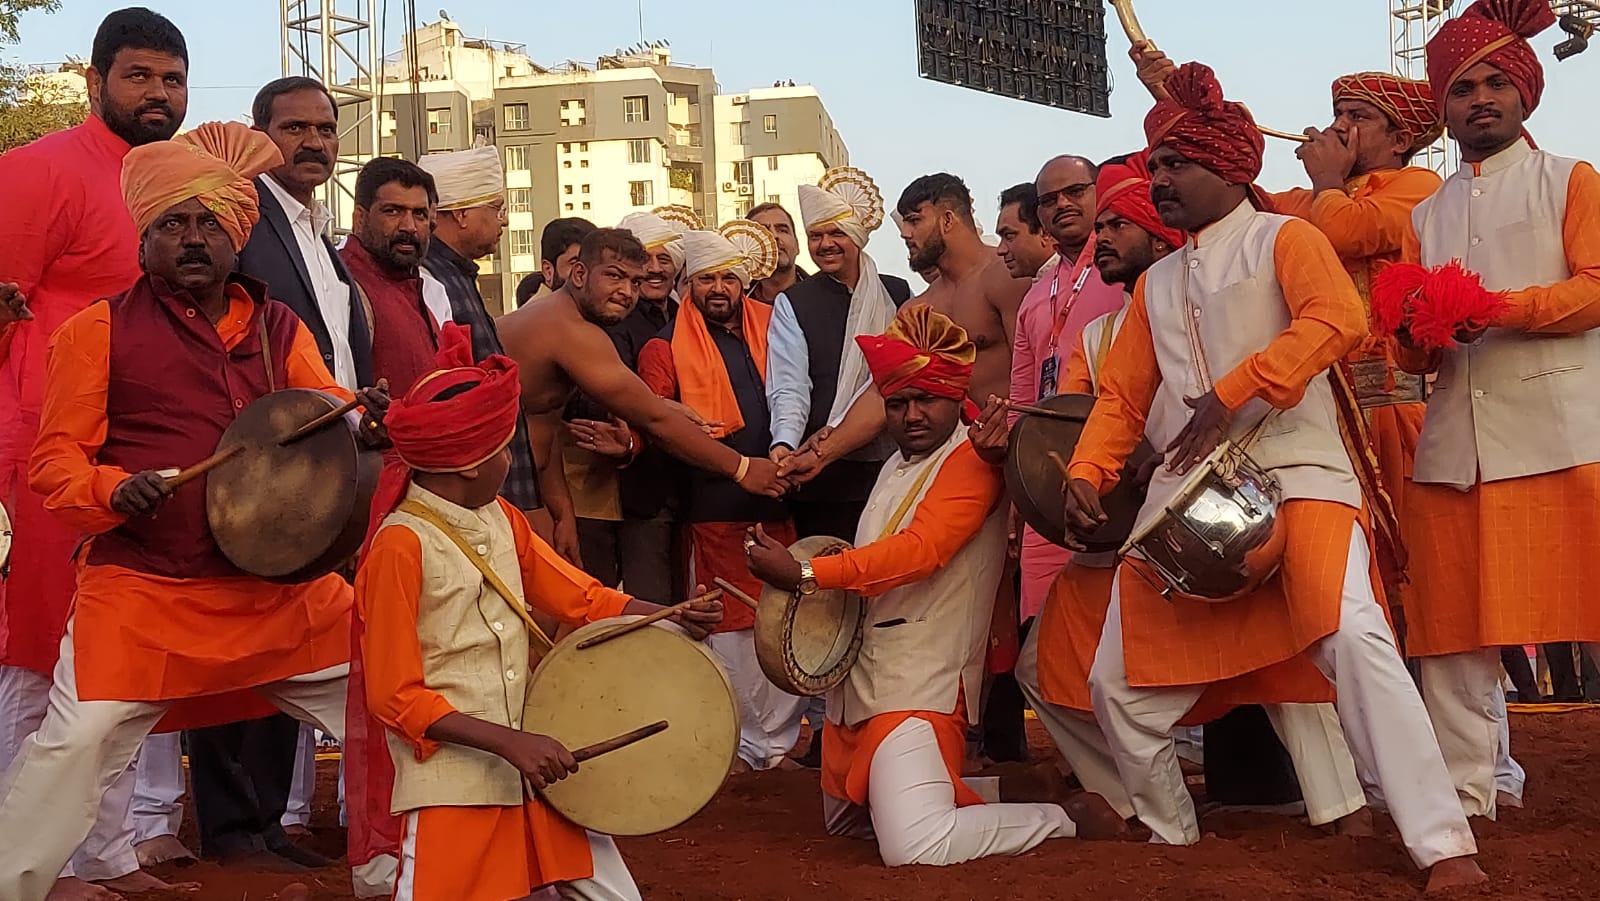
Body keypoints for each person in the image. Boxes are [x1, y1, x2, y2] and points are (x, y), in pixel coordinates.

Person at [1060, 62, 1483, 893]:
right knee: (1115, 683)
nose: (1160, 181)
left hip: (1301, 474)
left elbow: (1339, 318)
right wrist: (1089, 468)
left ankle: (1442, 841)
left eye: (1175, 166)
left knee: (1352, 636)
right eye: (1155, 168)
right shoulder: (1157, 283)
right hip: (1186, 505)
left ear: (1231, 169)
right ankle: (1176, 839)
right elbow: (1121, 395)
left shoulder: (1286, 239)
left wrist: (1233, 390)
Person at [0, 121, 388, 901]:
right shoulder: (94, 331)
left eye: (210, 222)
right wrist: (114, 489)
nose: (192, 238)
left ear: (238, 236)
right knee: (74, 742)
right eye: (172, 223)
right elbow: (55, 463)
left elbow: (327, 417)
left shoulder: (281, 328)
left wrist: (365, 419)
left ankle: (393, 869)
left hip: (279, 594)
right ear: (143, 241)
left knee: (387, 699)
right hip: (144, 591)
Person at [746, 304, 1126, 866]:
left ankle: (1062, 818)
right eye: (898, 404)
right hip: (864, 685)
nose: (912, 415)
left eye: (927, 400)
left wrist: (805, 573)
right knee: (852, 823)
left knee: (913, 844)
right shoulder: (893, 467)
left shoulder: (972, 461)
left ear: (955, 399)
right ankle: (1018, 790)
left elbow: (921, 552)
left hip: (921, 682)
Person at [357, 322, 721, 901]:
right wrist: (509, 743)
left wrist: (667, 612)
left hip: (536, 769)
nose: (513, 459)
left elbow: (578, 596)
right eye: (505, 449)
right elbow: (394, 696)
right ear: (469, 464)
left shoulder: (501, 514)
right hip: (457, 786)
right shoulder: (400, 545)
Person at [0, 9, 197, 897]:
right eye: (140, 77)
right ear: (95, 81)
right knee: (40, 657)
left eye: (172, 79)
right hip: (45, 448)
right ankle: (29, 862)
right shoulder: (36, 172)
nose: (158, 95)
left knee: (120, 653)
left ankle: (105, 850)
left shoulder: (185, 187)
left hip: (143, 457)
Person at [1402, 0, 1600, 823]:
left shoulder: (1573, 179)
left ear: (1525, 93)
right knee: (1450, 639)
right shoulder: (1424, 212)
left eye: (1494, 83)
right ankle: (1464, 803)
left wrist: (1501, 306)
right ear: (1443, 108)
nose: (1479, 98)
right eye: (1461, 88)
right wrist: (1415, 329)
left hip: (1560, 433)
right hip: (1454, 448)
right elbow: (1417, 353)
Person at [181, 73, 371, 876]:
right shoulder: (239, 221)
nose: (314, 143)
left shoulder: (319, 237)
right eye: (294, 129)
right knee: (232, 648)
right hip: (248, 461)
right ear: (261, 138)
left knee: (289, 640)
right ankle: (228, 828)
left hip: (318, 462)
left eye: (325, 129)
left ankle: (264, 822)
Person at [999, 151, 1182, 824]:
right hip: (1084, 495)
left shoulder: (1161, 285)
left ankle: (1336, 794)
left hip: (1180, 502)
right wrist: (1028, 484)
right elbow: (1037, 403)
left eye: (1079, 194)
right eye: (1051, 200)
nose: (1066, 208)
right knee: (1048, 662)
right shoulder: (1044, 294)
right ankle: (1126, 790)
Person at [496, 228, 788, 549]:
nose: (626, 291)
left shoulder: (563, 319)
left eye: (635, 282)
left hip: (523, 486)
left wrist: (561, 511)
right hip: (497, 488)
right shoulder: (568, 328)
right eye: (615, 276)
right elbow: (655, 419)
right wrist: (742, 467)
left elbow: (540, 421)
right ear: (579, 273)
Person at [637, 226, 805, 772]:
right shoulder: (662, 346)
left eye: (728, 277)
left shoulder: (775, 327)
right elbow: (662, 426)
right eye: (706, 277)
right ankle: (750, 750)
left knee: (784, 620)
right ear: (688, 284)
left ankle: (775, 747)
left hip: (782, 499)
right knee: (732, 626)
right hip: (713, 506)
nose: (718, 288)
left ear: (743, 282)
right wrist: (738, 471)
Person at [338, 155, 447, 897]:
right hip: (364, 500)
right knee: (375, 676)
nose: (407, 226)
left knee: (412, 665)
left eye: (419, 214)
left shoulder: (421, 291)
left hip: (420, 498)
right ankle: (375, 841)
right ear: (361, 214)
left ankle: (398, 826)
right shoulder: (343, 284)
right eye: (393, 211)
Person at [765, 167, 911, 542]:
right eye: (816, 236)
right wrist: (784, 442)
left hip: (894, 461)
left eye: (836, 233)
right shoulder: (794, 302)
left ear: (857, 237)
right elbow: (789, 385)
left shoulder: (896, 293)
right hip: (822, 468)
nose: (825, 244)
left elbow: (903, 375)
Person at [416, 144, 544, 519]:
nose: (504, 221)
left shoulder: (459, 277)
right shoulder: (429, 279)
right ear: (462, 214)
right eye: (496, 208)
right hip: (471, 493)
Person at [563, 211, 685, 600]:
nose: (652, 272)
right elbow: (590, 399)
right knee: (597, 605)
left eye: (663, 261)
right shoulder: (599, 319)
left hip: (657, 488)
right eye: (630, 271)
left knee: (655, 606)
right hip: (597, 490)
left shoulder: (682, 320)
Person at [747, 202, 809, 303]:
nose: (774, 236)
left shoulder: (824, 297)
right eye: (763, 232)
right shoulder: (737, 307)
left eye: (782, 230)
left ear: (797, 245)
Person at [994, 183, 1057, 281]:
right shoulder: (1046, 282)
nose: (1000, 250)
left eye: (1009, 236)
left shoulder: (1076, 281)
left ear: (1045, 233)